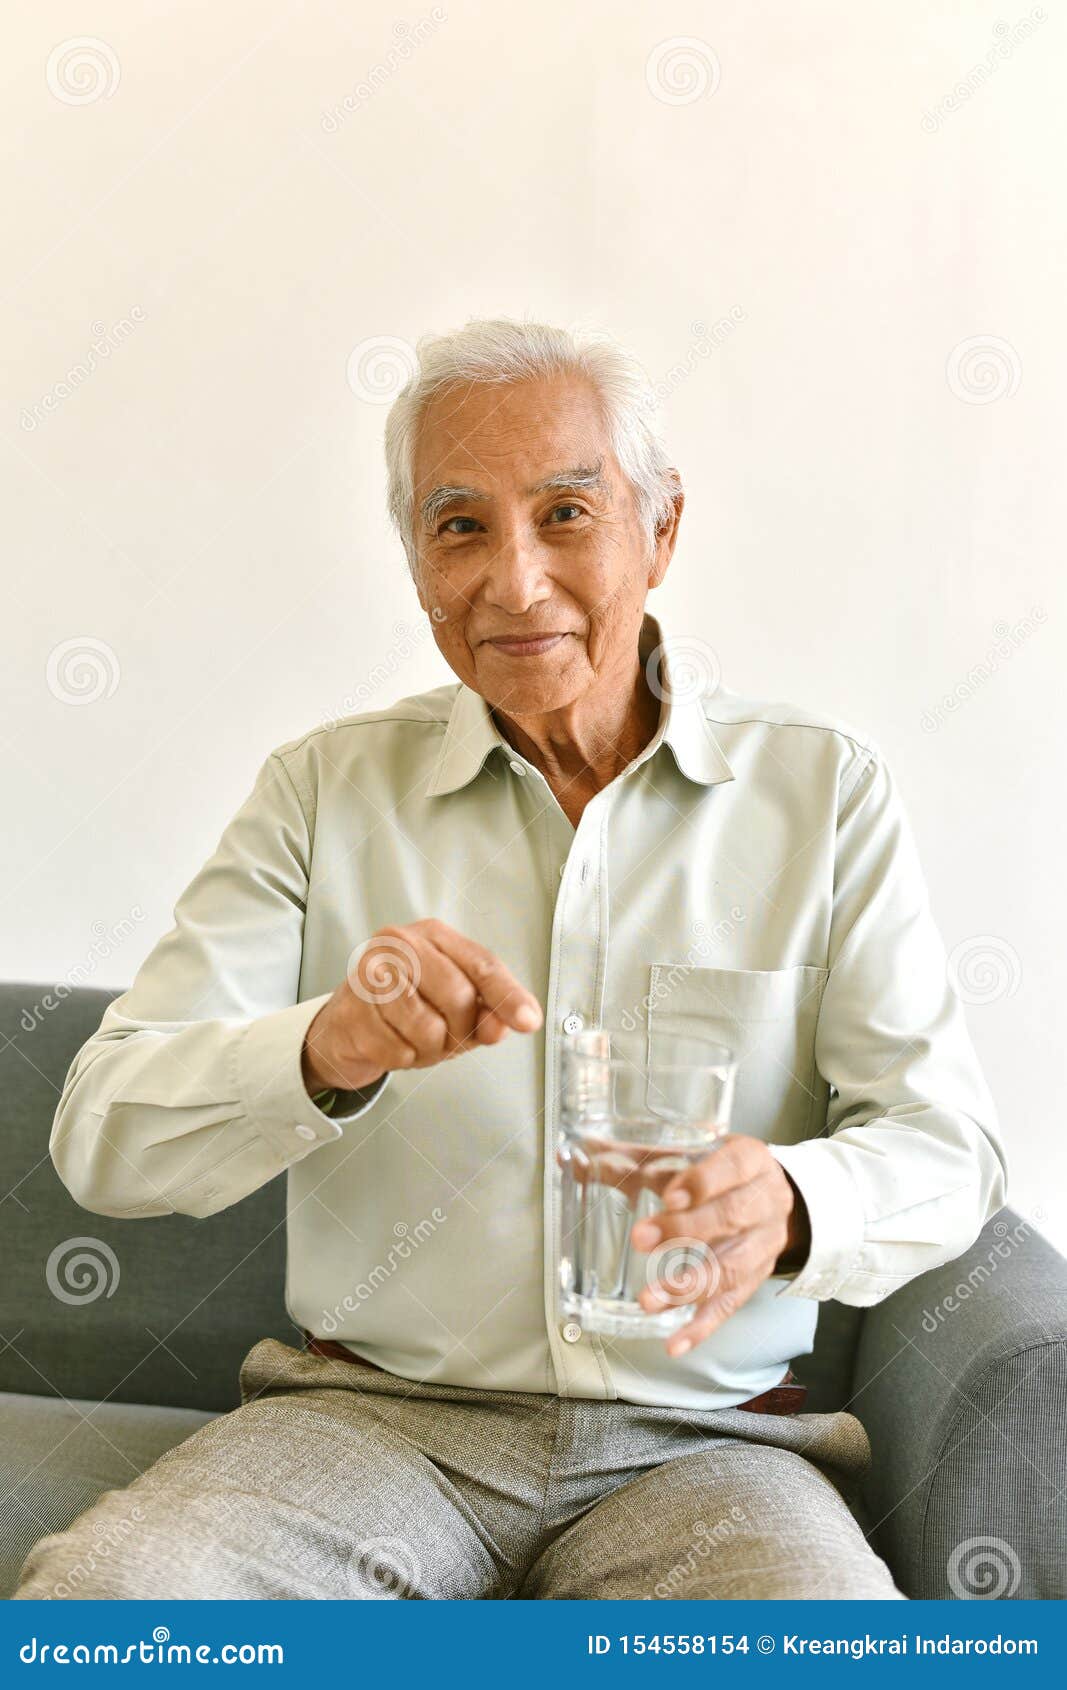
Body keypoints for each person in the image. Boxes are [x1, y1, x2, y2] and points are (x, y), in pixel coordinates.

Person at [14, 318, 1005, 1601]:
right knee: (109, 1617)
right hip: (372, 1426)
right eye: (460, 525)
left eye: (565, 513)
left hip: (705, 1449)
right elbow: (105, 1134)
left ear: (661, 531)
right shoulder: (321, 791)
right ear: (416, 561)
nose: (513, 581)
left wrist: (797, 1201)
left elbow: (947, 1146)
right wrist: (328, 1047)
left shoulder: (821, 795)